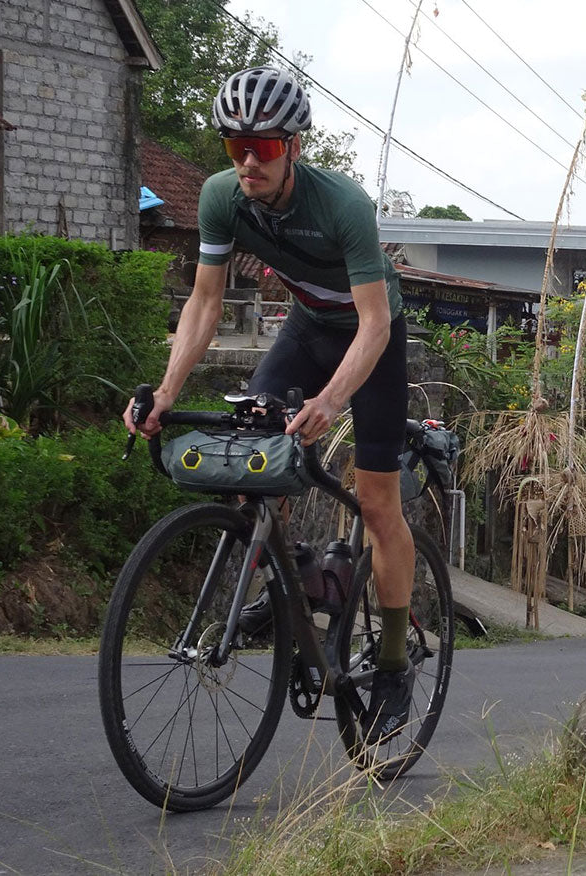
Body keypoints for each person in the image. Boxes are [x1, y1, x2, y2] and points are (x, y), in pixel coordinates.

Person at [123, 66, 415, 744]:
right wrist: (165, 392)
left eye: (265, 147)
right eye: (234, 147)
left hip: (374, 337)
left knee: (376, 503)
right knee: (249, 452)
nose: (249, 160)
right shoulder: (221, 197)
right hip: (308, 326)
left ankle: (396, 664)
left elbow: (372, 325)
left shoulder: (341, 205)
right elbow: (204, 301)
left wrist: (329, 400)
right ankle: (289, 578)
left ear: (295, 147)